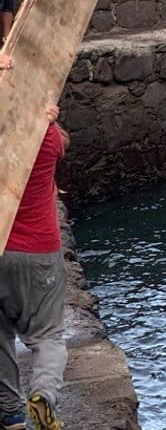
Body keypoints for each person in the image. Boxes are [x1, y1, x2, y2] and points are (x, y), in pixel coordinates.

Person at [1, 50, 68, 430]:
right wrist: (48, 115)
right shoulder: (47, 139)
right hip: (39, 249)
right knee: (48, 335)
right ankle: (43, 394)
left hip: (0, 247)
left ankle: (10, 414)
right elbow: (63, 141)